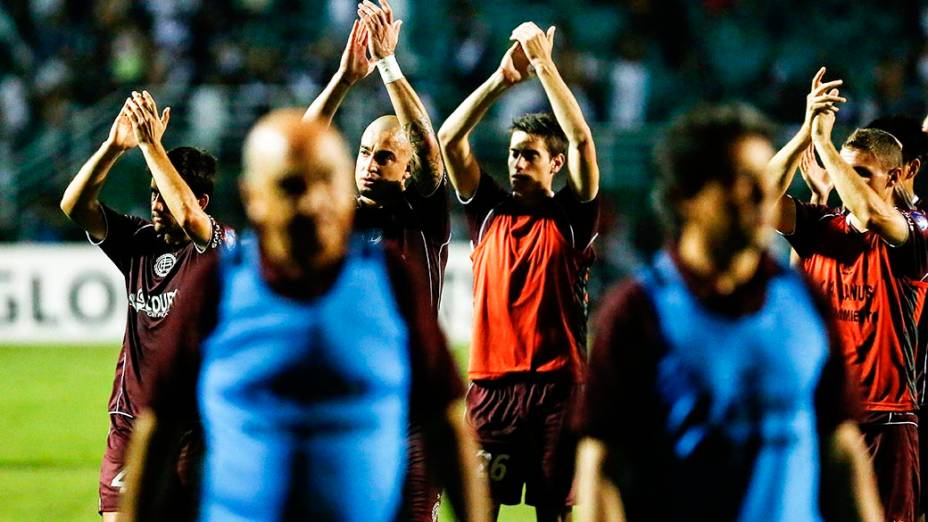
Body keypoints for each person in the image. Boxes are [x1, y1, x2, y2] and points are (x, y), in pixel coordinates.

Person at [121, 110, 488, 522]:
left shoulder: (390, 282)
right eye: (291, 185)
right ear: (253, 197)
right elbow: (158, 432)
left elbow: (445, 426)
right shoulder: (216, 287)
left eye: (326, 180)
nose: (312, 201)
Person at [574, 102, 882, 521]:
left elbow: (841, 450)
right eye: (742, 182)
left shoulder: (805, 302)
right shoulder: (638, 312)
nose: (763, 196)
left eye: (763, 181)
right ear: (686, 196)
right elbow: (603, 467)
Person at [437, 21, 599, 521]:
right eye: (512, 154)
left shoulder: (572, 217)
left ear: (554, 165)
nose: (515, 163)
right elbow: (449, 139)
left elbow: (583, 143)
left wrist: (545, 67)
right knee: (476, 510)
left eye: (529, 155)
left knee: (554, 512)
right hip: (490, 388)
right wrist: (501, 81)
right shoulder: (488, 211)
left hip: (557, 390)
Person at [302, 4, 451, 519]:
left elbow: (430, 149)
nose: (369, 163)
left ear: (407, 166)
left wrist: (389, 66)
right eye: (364, 152)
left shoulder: (423, 214)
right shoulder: (339, 215)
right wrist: (344, 79)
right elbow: (299, 154)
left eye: (385, 155)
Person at [59, 90, 226, 521]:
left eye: (163, 192)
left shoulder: (218, 246)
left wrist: (153, 144)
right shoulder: (137, 243)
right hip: (132, 422)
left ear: (202, 200)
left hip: (196, 429)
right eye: (152, 191)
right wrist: (114, 146)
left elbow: (190, 218)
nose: (156, 202)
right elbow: (74, 205)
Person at [772, 68, 928, 522]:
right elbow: (755, 197)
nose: (847, 182)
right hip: (826, 414)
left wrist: (825, 145)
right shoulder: (820, 228)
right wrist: (805, 132)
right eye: (847, 170)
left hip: (889, 418)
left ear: (896, 177)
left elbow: (871, 213)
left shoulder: (913, 231)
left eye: (861, 173)